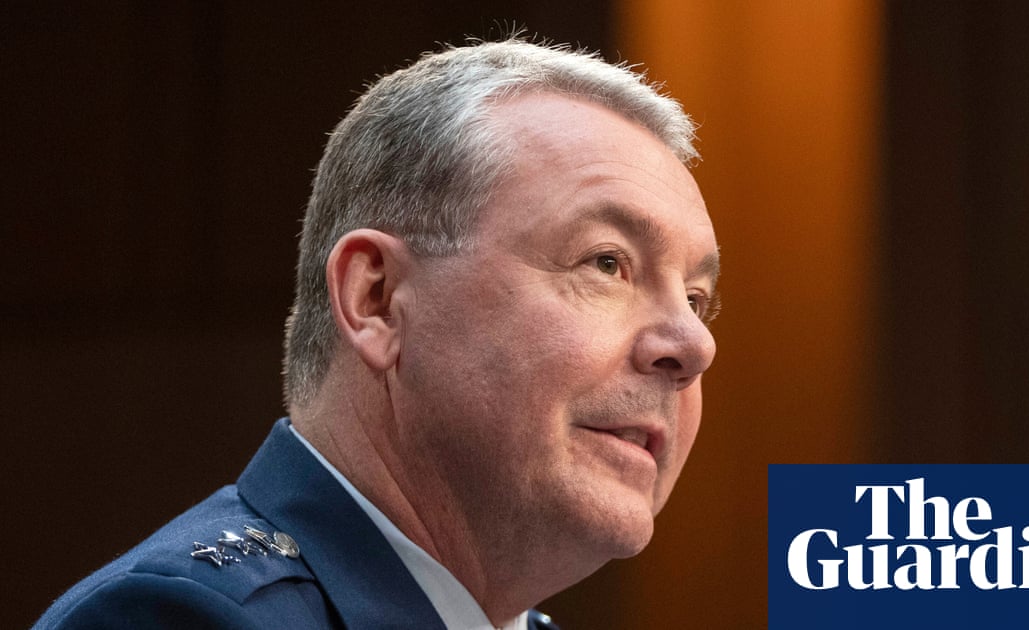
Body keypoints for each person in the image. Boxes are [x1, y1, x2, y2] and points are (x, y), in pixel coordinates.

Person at [36, 37, 719, 629]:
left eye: (696, 298)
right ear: (378, 300)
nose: (694, 346)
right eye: (607, 264)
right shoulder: (187, 619)